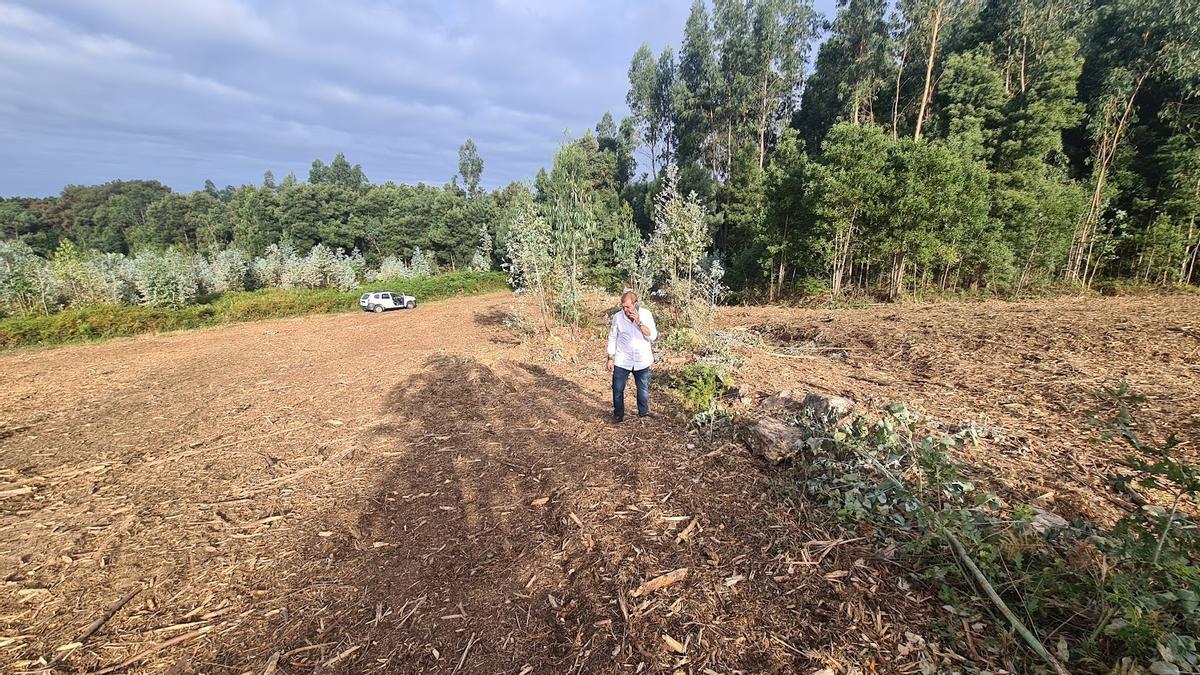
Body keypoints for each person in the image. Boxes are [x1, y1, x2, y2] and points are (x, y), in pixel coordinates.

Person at [606, 290, 657, 422]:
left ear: (636, 304)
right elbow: (612, 337)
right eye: (623, 307)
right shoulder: (617, 317)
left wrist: (639, 322)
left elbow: (652, 337)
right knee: (617, 388)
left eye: (628, 307)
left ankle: (643, 413)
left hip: (641, 359)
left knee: (642, 388)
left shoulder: (646, 314)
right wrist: (610, 357)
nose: (625, 310)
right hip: (623, 359)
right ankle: (618, 415)